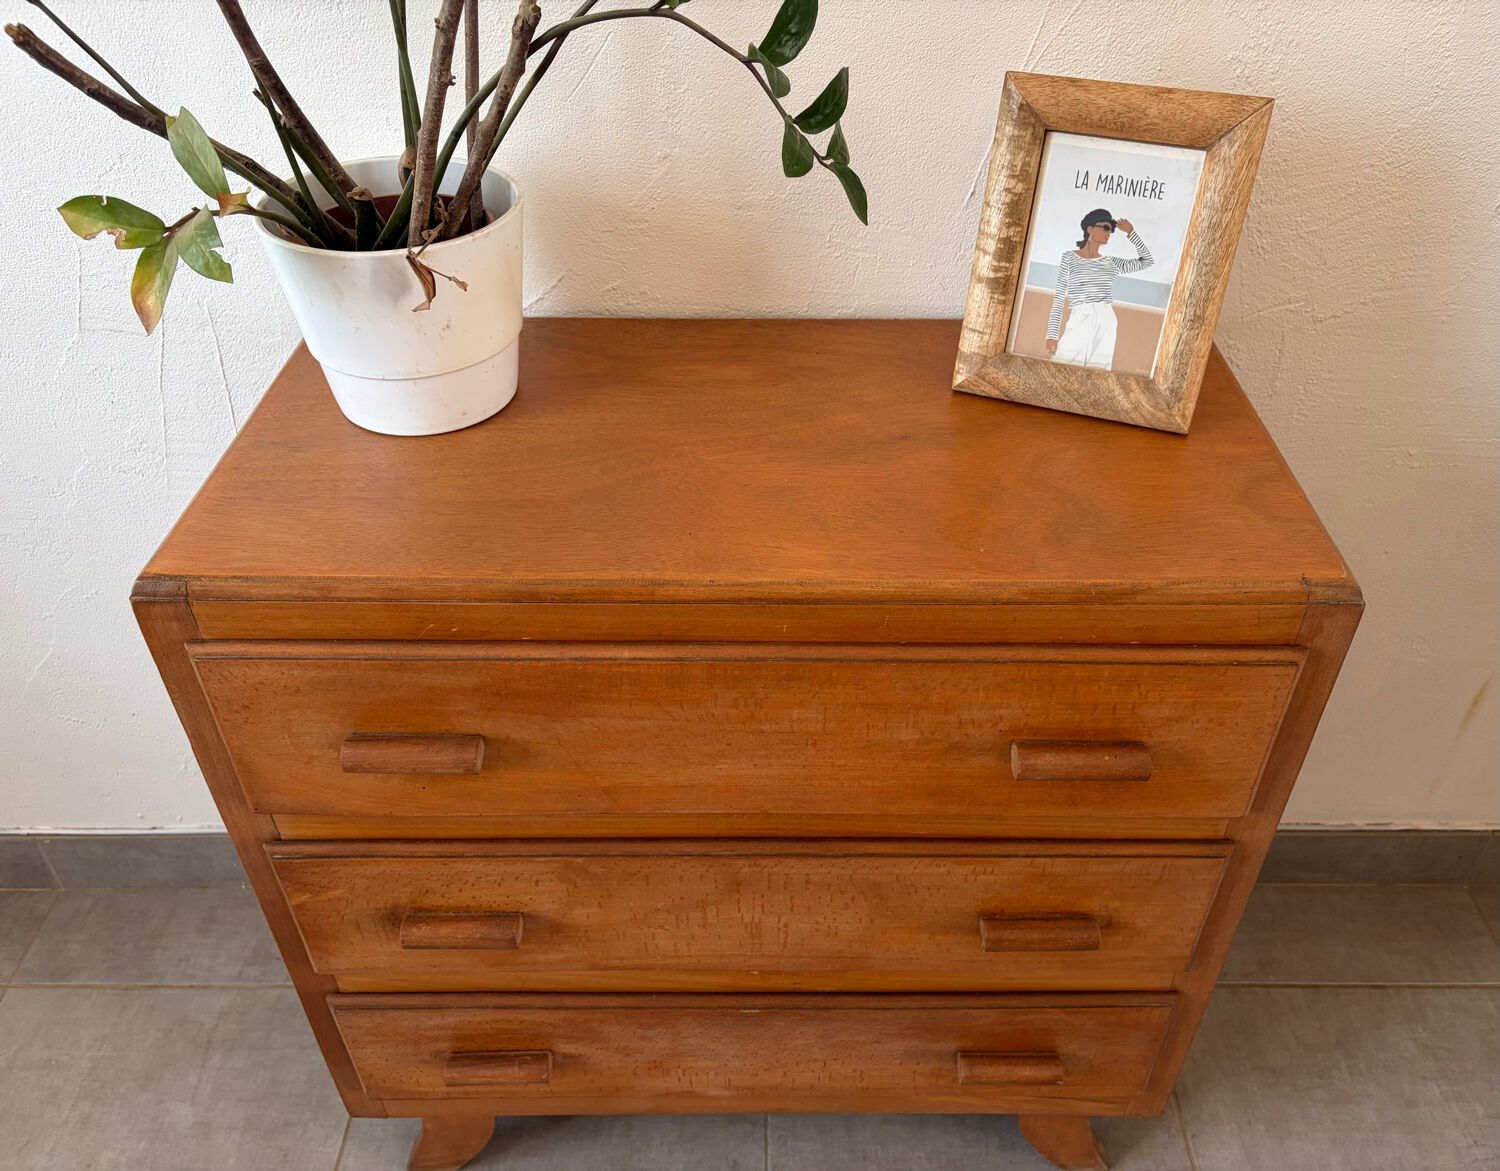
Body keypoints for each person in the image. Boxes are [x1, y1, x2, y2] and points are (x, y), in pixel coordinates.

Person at [1045, 209, 1153, 371]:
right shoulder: (1069, 258)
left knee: (1098, 371)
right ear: (1090, 229)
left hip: (1105, 319)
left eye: (1111, 230)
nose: (1109, 233)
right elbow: (1059, 297)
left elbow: (1147, 261)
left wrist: (1131, 232)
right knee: (1062, 367)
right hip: (1080, 317)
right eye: (1105, 228)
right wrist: (1052, 335)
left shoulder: (1111, 263)